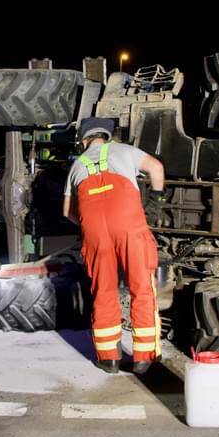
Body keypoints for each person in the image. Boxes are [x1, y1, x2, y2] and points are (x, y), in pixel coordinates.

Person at [62, 117, 166, 375]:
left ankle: (108, 358)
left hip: (95, 232)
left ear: (84, 140)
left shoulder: (77, 165)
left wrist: (88, 223)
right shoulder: (124, 151)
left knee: (103, 290)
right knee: (141, 287)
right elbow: (156, 168)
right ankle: (144, 357)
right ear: (106, 136)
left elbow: (67, 212)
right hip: (128, 225)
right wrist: (155, 201)